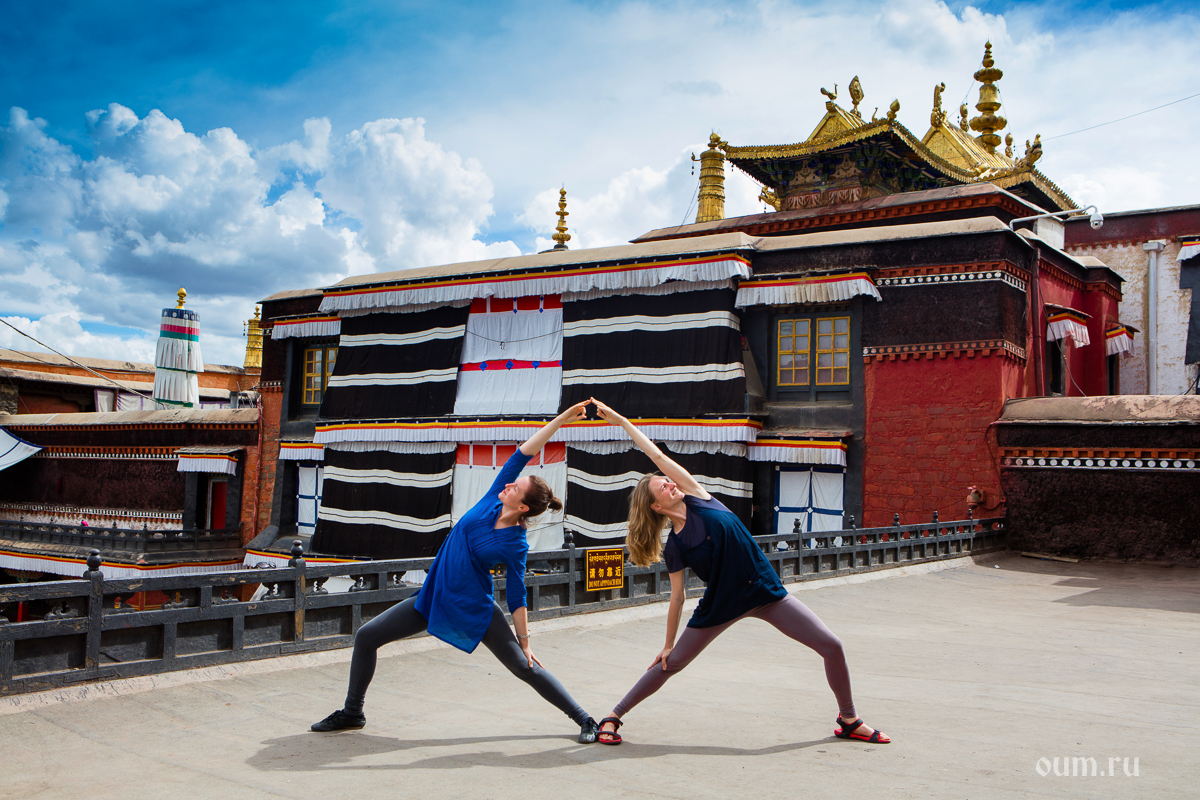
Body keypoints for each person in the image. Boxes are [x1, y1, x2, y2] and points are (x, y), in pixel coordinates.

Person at [589, 398, 889, 746]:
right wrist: (668, 644)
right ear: (657, 506)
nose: (670, 484)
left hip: (764, 591)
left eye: (669, 481)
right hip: (721, 604)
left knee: (831, 645)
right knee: (672, 663)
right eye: (663, 487)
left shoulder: (698, 496)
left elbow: (657, 456)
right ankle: (613, 716)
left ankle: (849, 719)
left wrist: (623, 422)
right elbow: (678, 597)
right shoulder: (676, 546)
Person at [312, 400, 601, 743]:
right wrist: (563, 419)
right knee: (367, 636)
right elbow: (523, 452)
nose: (509, 485)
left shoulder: (515, 543)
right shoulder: (493, 498)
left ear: (522, 506)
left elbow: (517, 594)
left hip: (474, 607)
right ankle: (352, 712)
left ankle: (585, 719)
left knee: (524, 666)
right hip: (434, 596)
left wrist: (525, 642)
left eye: (515, 487)